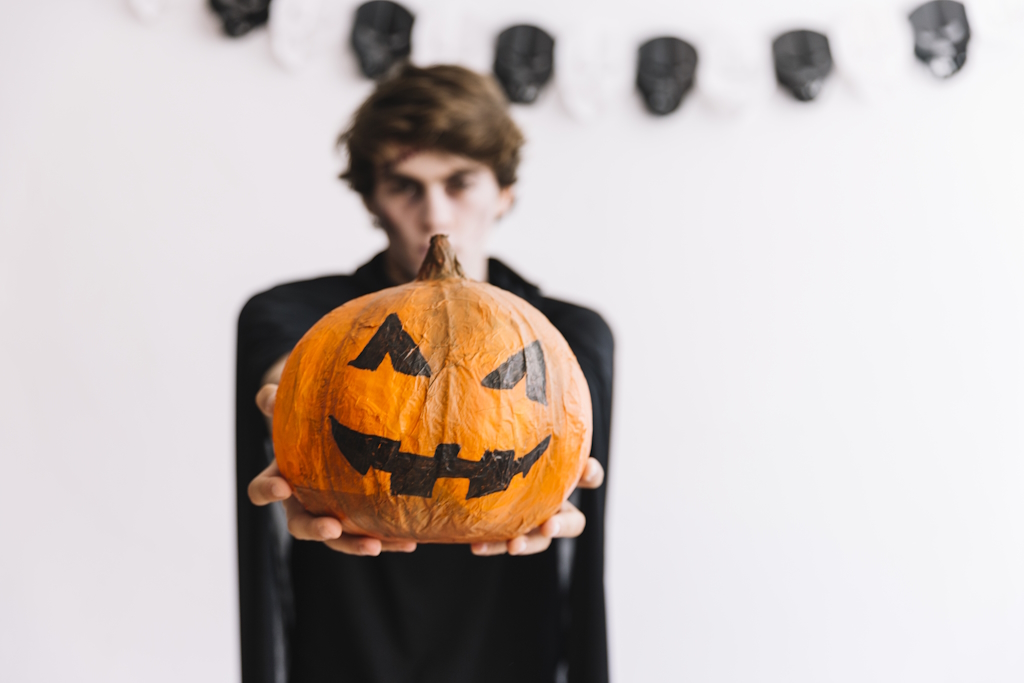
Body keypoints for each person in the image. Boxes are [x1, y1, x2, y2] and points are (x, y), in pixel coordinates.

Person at [237, 64, 614, 683]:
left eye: (460, 182)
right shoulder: (299, 316)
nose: (435, 214)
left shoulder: (567, 336)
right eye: (404, 186)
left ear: (504, 193)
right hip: (343, 653)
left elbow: (579, 522)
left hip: (515, 650)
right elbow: (296, 373)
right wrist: (294, 404)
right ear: (370, 200)